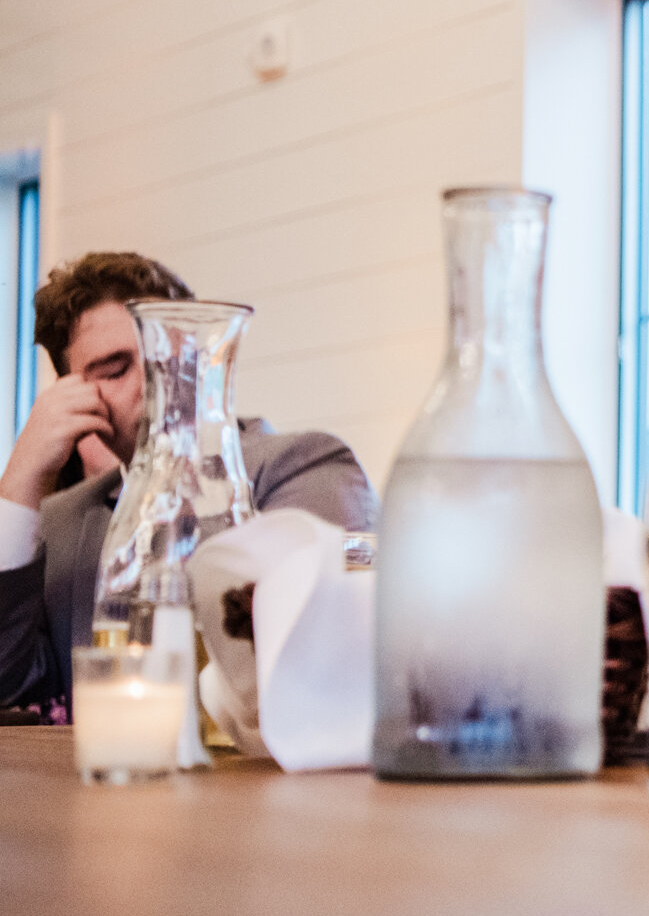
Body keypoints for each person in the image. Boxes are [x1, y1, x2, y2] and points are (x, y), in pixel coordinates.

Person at [0, 253, 377, 716]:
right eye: (116, 369)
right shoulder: (64, 520)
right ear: (72, 396)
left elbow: (312, 659)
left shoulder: (305, 465)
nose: (154, 382)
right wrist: (19, 484)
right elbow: (9, 687)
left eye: (168, 357)